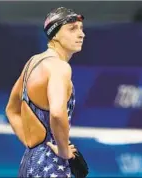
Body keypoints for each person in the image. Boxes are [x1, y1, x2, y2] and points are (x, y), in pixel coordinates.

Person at [5, 7, 85, 177]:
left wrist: (32, 143)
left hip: (30, 161)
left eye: (81, 28)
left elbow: (11, 110)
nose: (81, 34)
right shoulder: (59, 67)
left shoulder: (33, 62)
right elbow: (57, 113)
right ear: (54, 34)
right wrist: (64, 152)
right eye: (72, 29)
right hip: (53, 164)